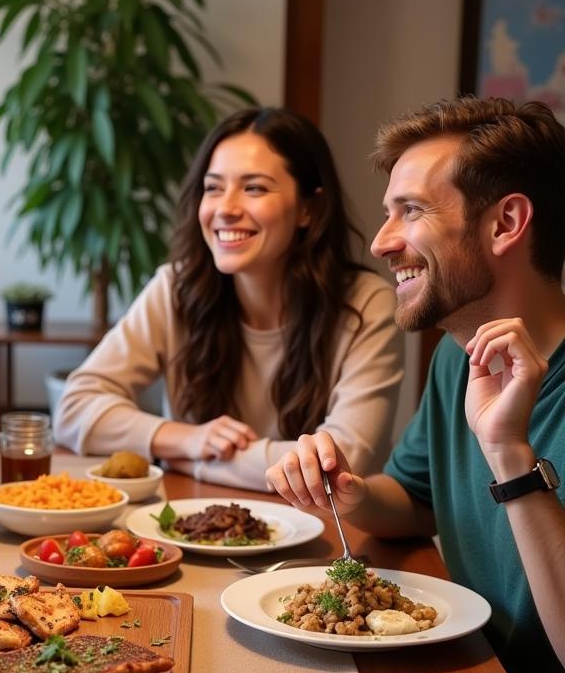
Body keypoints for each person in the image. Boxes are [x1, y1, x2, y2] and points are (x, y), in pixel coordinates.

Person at [265, 96, 565, 673]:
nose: (380, 242)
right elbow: (416, 499)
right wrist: (350, 489)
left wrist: (509, 454)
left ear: (506, 223)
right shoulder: (461, 360)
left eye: (412, 211)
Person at [54, 107, 405, 487]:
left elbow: (339, 463)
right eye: (213, 187)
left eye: (254, 188)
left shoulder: (367, 304)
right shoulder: (176, 287)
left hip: (318, 534)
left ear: (309, 208)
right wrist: (187, 439)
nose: (225, 209)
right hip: (189, 525)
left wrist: (192, 462)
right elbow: (74, 409)